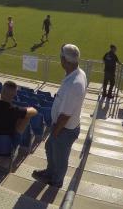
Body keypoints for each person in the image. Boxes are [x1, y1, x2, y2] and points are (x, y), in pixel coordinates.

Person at [32, 44, 86, 188]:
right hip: (61, 127)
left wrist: (55, 132)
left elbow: (65, 115)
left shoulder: (74, 84)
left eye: (61, 56)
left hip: (64, 129)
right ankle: (50, 172)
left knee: (60, 157)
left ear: (64, 60)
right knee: (50, 148)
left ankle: (56, 181)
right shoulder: (76, 73)